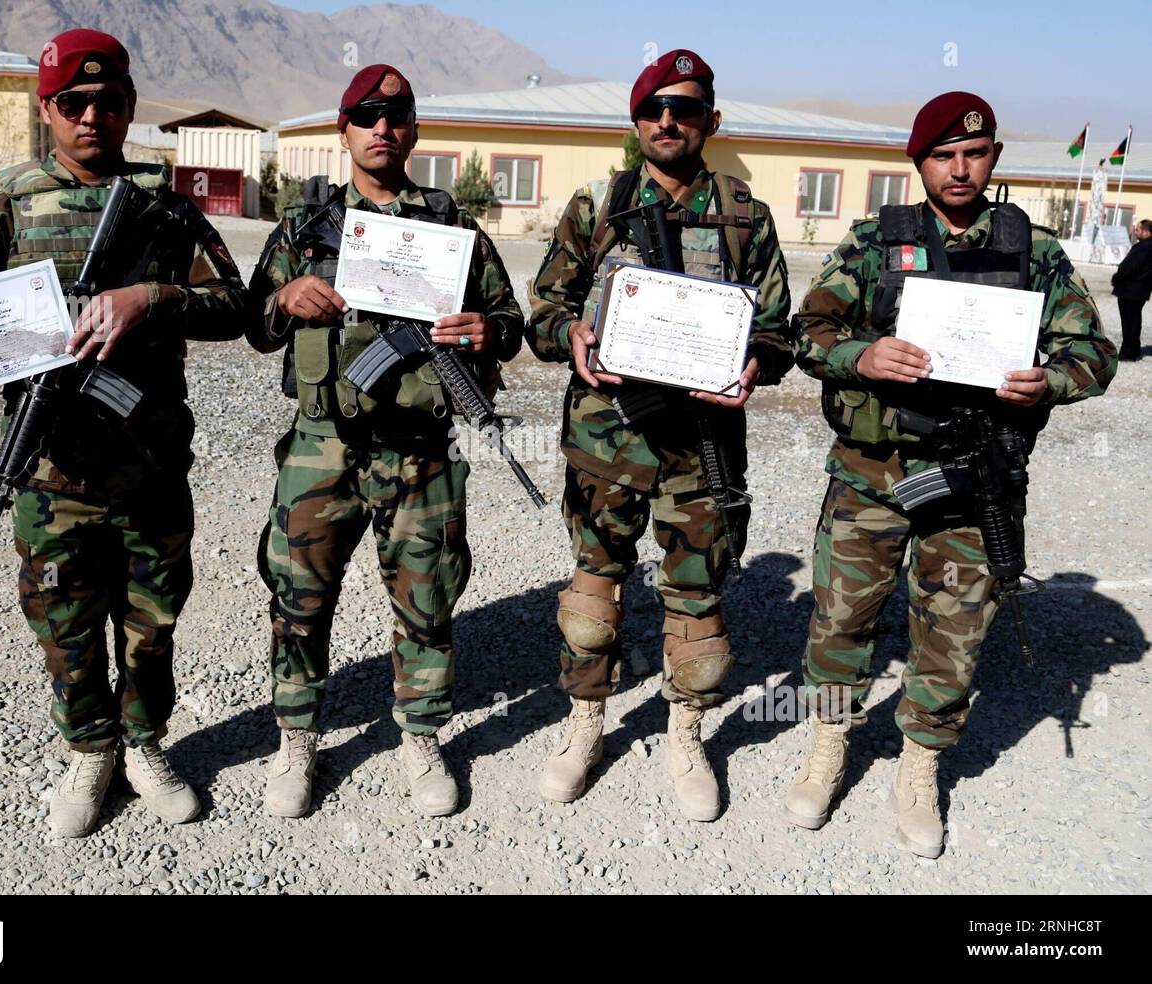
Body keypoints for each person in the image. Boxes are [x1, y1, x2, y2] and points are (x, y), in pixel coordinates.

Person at [786, 91, 1116, 857]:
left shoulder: (1033, 251)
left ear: (993, 158)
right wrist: (860, 355)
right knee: (841, 619)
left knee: (955, 631)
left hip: (975, 479)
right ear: (920, 163)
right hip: (873, 474)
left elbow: (1092, 352)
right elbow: (809, 330)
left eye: (975, 153)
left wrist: (1051, 379)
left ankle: (921, 764)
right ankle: (830, 742)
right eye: (944, 155)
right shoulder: (875, 243)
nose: (960, 168)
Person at [0, 28, 249, 837]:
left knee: (152, 624)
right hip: (51, 468)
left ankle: (144, 743)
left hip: (148, 463)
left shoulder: (163, 206)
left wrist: (153, 297)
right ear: (48, 111)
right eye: (72, 103)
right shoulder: (9, 204)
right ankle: (91, 749)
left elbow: (240, 309)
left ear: (129, 108)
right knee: (65, 624)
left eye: (108, 102)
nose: (91, 117)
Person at [247, 64, 524, 819]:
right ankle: (297, 736)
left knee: (427, 597)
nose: (382, 127)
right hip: (321, 443)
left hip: (420, 446)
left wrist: (486, 330)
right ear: (344, 130)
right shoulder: (303, 228)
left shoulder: (450, 227)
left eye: (396, 115)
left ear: (413, 130)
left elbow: (510, 321)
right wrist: (282, 297)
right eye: (366, 115)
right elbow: (252, 323)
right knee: (299, 595)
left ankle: (421, 734)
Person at [527, 49, 793, 822]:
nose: (668, 120)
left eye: (685, 107)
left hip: (700, 445)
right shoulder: (599, 203)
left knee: (698, 604)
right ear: (636, 121)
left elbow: (779, 331)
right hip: (606, 442)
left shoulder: (746, 215)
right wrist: (569, 332)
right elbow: (544, 303)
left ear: (712, 118)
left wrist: (755, 362)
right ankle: (585, 725)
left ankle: (687, 733)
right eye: (654, 108)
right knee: (592, 596)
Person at [1111, 218, 1152, 360]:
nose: (1135, 232)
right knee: (1133, 321)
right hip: (1138, 290)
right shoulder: (1146, 246)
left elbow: (1130, 267)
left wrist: (1117, 277)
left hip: (1131, 290)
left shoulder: (1144, 247)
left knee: (1130, 322)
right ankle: (1132, 349)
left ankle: (1128, 352)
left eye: (1138, 229)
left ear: (1147, 232)